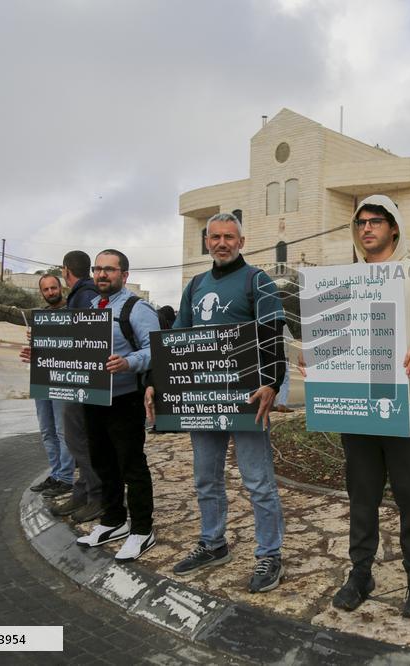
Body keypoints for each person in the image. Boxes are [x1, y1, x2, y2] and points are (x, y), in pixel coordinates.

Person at [313, 195, 410, 618]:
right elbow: (332, 332)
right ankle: (360, 573)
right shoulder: (343, 279)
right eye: (360, 223)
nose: (366, 228)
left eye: (375, 221)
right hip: (356, 403)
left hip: (406, 403)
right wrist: (316, 352)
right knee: (362, 494)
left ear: (393, 227)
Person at [145, 212, 287, 592]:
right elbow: (177, 339)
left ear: (241, 242)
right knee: (206, 478)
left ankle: (270, 553)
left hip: (247, 399)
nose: (222, 243)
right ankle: (213, 543)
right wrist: (156, 383)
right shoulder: (194, 286)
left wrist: (272, 383)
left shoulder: (258, 281)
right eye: (215, 237)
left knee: (258, 482)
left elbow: (273, 335)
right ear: (206, 242)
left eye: (229, 237)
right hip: (203, 400)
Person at [74, 249, 160, 562]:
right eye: (98, 269)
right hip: (93, 397)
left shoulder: (137, 308)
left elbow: (157, 348)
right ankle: (113, 521)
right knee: (102, 461)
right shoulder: (90, 307)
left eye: (109, 270)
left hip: (124, 399)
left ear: (124, 275)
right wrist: (40, 355)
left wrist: (128, 362)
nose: (101, 275)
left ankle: (142, 529)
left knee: (131, 465)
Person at [0, 275, 75, 499]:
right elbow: (10, 312)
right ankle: (56, 474)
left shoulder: (74, 313)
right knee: (47, 431)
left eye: (54, 288)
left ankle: (67, 479)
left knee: (63, 431)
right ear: (41, 293)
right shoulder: (38, 316)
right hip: (42, 378)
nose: (51, 292)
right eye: (46, 289)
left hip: (64, 381)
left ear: (61, 288)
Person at [49, 251, 105, 524]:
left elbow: (85, 337)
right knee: (79, 441)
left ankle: (97, 496)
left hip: (85, 381)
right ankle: (82, 492)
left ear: (65, 270)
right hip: (82, 379)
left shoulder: (84, 295)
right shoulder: (85, 294)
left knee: (80, 442)